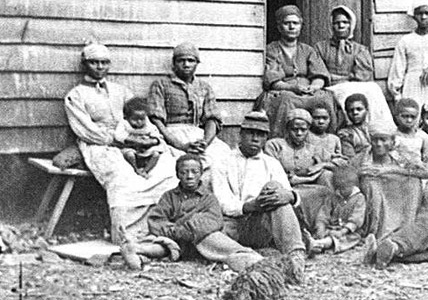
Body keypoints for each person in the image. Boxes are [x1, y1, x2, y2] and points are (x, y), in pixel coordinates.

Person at [64, 43, 177, 243]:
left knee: (166, 167)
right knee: (122, 176)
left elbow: (143, 118)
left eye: (104, 62)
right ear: (85, 65)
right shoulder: (76, 95)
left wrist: (153, 138)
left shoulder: (122, 91)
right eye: (94, 62)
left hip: (134, 141)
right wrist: (118, 141)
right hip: (100, 144)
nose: (99, 67)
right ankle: (129, 236)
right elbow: (85, 130)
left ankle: (160, 228)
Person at [120, 154, 263, 272]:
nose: (189, 176)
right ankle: (137, 250)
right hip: (175, 241)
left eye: (194, 172)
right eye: (184, 172)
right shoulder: (169, 196)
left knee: (215, 239)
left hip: (200, 239)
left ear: (201, 174)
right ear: (177, 174)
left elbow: (214, 220)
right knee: (162, 245)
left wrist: (189, 228)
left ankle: (245, 257)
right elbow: (157, 220)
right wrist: (175, 231)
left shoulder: (208, 197)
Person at [212, 111, 306, 282]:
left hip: (262, 223)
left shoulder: (271, 163)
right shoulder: (222, 161)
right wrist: (250, 206)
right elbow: (222, 201)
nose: (255, 139)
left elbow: (286, 197)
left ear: (266, 139)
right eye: (251, 133)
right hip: (235, 224)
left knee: (276, 189)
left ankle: (295, 257)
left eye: (261, 135)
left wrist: (290, 196)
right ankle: (257, 256)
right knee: (211, 234)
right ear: (241, 134)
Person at [147, 42, 231, 182]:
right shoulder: (161, 84)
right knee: (168, 165)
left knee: (222, 157)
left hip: (198, 135)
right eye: (181, 60)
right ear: (174, 63)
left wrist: (204, 143)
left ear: (197, 63)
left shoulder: (204, 87)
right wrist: (179, 145)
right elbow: (156, 119)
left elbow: (212, 119)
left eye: (191, 60)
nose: (186, 64)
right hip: (171, 135)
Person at [259, 5, 336, 139]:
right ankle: (282, 140)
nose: (291, 27)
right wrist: (293, 87)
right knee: (286, 100)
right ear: (279, 27)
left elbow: (319, 75)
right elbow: (274, 81)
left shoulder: (308, 50)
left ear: (300, 26)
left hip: (307, 91)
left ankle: (326, 141)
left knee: (325, 98)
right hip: (286, 90)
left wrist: (313, 87)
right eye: (287, 23)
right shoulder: (272, 50)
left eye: (295, 23)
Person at [315, 5, 395, 130]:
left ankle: (380, 127)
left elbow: (363, 74)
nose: (341, 26)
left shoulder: (359, 49)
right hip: (331, 86)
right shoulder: (320, 47)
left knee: (373, 88)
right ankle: (354, 128)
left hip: (351, 83)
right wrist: (336, 78)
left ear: (351, 25)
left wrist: (346, 78)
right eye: (337, 23)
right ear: (331, 25)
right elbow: (319, 71)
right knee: (347, 92)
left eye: (345, 23)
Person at [387, 2, 428, 143]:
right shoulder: (405, 41)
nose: (423, 17)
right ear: (413, 16)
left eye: (427, 13)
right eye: (419, 13)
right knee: (413, 119)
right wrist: (397, 95)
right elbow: (398, 68)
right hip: (412, 85)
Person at [351, 128, 428, 239]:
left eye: (383, 140)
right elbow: (348, 173)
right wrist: (362, 173)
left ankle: (405, 229)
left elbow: (425, 173)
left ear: (392, 142)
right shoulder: (363, 157)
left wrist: (389, 170)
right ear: (370, 141)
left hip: (395, 193)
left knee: (414, 182)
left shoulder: (399, 156)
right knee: (370, 184)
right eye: (375, 140)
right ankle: (378, 232)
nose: (379, 144)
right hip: (374, 196)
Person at [264, 109, 335, 230]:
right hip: (283, 187)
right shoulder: (275, 145)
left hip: (308, 187)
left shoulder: (314, 149)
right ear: (287, 129)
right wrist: (306, 178)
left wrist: (322, 165)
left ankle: (320, 226)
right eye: (294, 129)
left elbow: (341, 162)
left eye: (303, 130)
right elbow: (270, 169)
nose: (299, 133)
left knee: (327, 177)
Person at [305, 166, 367, 256]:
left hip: (348, 231)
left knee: (350, 239)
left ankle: (320, 244)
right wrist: (321, 228)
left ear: (353, 185)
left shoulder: (359, 198)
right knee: (322, 234)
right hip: (332, 228)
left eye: (345, 188)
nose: (342, 191)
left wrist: (343, 231)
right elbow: (324, 213)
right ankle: (315, 243)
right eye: (340, 188)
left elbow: (356, 218)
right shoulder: (333, 197)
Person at [114, 97, 166, 177]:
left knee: (156, 154)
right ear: (127, 117)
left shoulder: (147, 124)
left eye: (142, 119)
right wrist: (133, 140)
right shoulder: (124, 123)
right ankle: (136, 169)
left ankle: (146, 171)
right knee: (129, 154)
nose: (139, 122)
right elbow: (118, 135)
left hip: (146, 149)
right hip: (131, 147)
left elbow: (155, 132)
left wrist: (153, 141)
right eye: (135, 119)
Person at [393, 98, 428, 167]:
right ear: (397, 116)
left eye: (413, 117)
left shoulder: (422, 136)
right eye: (405, 116)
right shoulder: (392, 135)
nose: (409, 120)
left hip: (418, 172)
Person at [338, 93, 371, 158]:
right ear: (346, 113)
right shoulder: (345, 134)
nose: (355, 113)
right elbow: (350, 158)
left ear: (367, 110)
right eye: (351, 110)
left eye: (359, 109)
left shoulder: (375, 128)